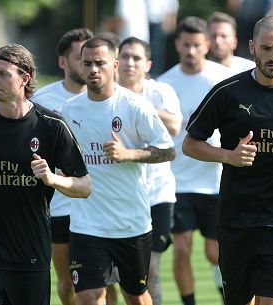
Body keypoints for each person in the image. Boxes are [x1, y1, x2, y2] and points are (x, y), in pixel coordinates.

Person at [182, 16, 273, 305]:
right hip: (237, 219)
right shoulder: (226, 92)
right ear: (252, 47)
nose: (272, 57)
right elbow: (190, 144)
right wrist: (228, 156)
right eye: (265, 48)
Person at [0, 43, 91, 305]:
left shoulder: (52, 126)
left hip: (30, 253)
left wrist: (52, 178)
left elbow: (84, 186)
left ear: (25, 78)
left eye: (3, 74)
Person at [62, 37, 175, 305]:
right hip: (86, 222)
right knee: (89, 296)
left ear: (114, 65)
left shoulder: (135, 106)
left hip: (130, 223)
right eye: (87, 63)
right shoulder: (70, 110)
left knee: (134, 296)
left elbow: (168, 150)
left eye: (100, 63)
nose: (93, 69)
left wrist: (129, 154)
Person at [157, 16, 232, 305]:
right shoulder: (166, 84)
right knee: (183, 248)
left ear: (207, 45)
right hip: (178, 181)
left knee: (215, 252)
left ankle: (225, 295)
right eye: (185, 45)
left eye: (196, 45)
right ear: (177, 44)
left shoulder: (221, 80)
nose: (190, 51)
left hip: (215, 180)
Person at [30, 28, 99, 305]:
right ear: (62, 62)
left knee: (100, 286)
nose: (87, 64)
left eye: (91, 57)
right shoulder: (41, 102)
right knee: (69, 285)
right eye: (80, 57)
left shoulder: (110, 97)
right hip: (61, 206)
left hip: (101, 206)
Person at [117, 36, 182, 305]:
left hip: (157, 193)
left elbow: (175, 126)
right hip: (119, 195)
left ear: (148, 64)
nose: (130, 63)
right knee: (118, 274)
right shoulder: (106, 94)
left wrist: (139, 107)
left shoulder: (160, 92)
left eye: (137, 58)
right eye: (126, 57)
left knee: (150, 268)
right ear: (116, 62)